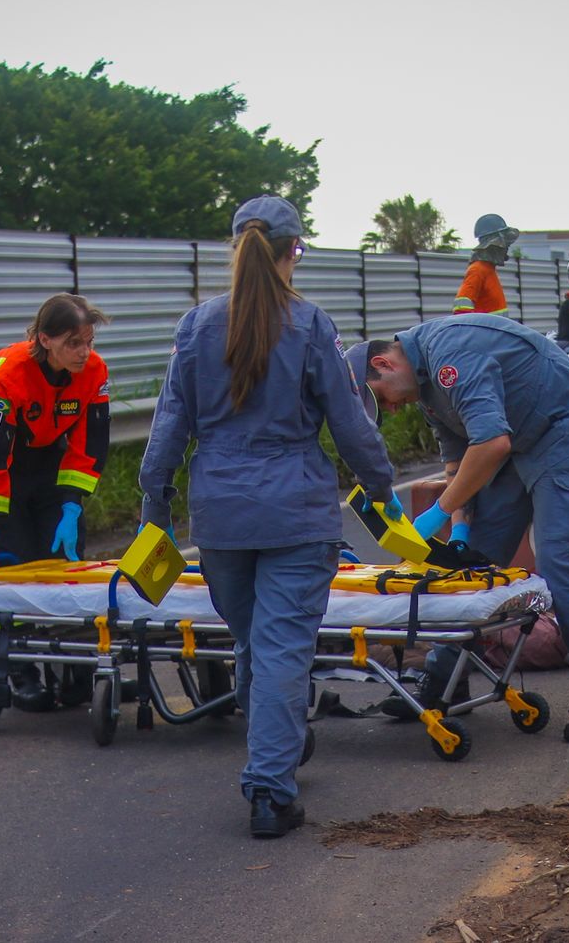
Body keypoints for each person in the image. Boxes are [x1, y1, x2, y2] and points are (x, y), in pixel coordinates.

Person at [138, 194, 398, 840]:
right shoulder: (309, 325)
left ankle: (275, 748)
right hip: (295, 511)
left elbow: (169, 426)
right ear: (292, 252)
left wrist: (154, 507)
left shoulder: (196, 326)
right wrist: (380, 488)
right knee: (282, 648)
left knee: (256, 642)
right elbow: (350, 422)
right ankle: (269, 790)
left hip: (221, 516)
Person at [345, 313, 569, 743]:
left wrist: (438, 510)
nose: (393, 410)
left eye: (384, 400)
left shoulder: (450, 354)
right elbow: (459, 467)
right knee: (472, 565)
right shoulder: (427, 391)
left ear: (384, 364)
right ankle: (445, 682)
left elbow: (492, 443)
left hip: (563, 428)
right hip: (512, 442)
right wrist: (458, 531)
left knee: (556, 557)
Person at [0, 293, 112, 711]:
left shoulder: (94, 371)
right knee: (12, 564)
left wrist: (71, 506)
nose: (84, 352)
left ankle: (69, 664)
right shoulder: (11, 376)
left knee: (63, 564)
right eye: (73, 343)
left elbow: (89, 445)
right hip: (0, 459)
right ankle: (20, 669)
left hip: (49, 456)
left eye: (89, 341)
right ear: (44, 340)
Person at [452, 213, 518, 315]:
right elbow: (461, 309)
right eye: (504, 243)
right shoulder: (478, 270)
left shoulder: (488, 269)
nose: (506, 248)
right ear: (494, 244)